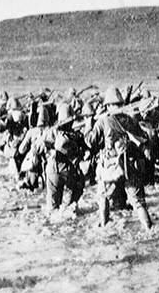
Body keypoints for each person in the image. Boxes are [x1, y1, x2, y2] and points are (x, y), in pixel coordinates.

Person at [84, 86, 153, 230]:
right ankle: (148, 228)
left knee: (103, 198)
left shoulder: (103, 121)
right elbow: (142, 138)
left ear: (108, 105)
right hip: (130, 165)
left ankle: (104, 227)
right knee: (138, 202)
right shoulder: (130, 119)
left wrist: (88, 124)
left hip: (111, 167)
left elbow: (90, 141)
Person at [42, 103, 85, 215]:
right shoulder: (75, 135)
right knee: (78, 186)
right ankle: (70, 207)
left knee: (52, 205)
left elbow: (43, 141)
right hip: (67, 170)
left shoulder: (52, 132)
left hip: (52, 170)